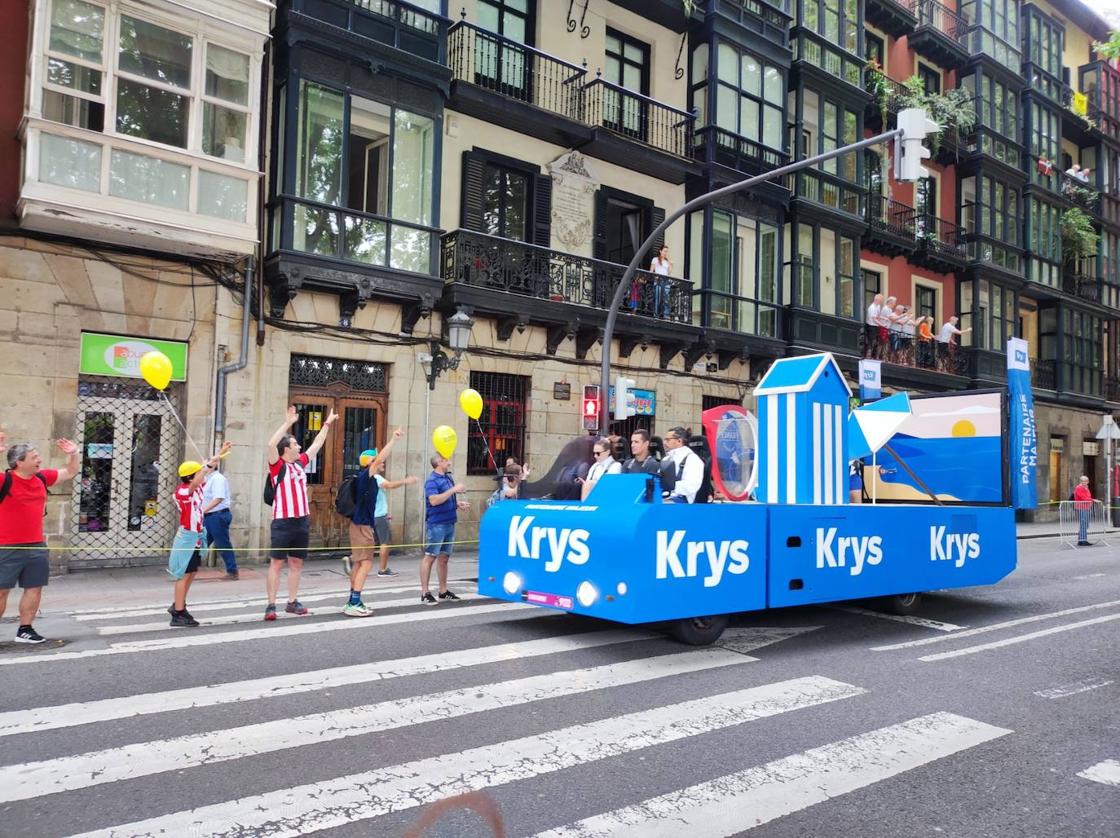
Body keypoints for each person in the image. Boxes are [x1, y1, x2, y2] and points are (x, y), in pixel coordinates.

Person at [0, 433, 79, 644]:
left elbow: (70, 472)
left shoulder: (42, 477)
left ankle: (25, 630)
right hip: (6, 546)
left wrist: (74, 454)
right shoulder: (4, 480)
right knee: (1, 591)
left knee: (34, 587)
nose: (39, 460)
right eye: (34, 457)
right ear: (19, 463)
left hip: (36, 544)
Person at [263, 405, 338, 621]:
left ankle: (292, 601)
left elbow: (318, 444)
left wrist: (327, 423)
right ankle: (271, 605)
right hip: (282, 521)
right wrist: (288, 423)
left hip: (301, 521)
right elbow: (270, 444)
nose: (299, 446)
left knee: (296, 563)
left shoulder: (300, 464)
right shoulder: (277, 466)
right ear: (286, 449)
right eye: (295, 444)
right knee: (276, 563)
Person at [168, 443, 231, 627]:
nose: (203, 475)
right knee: (184, 574)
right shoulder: (183, 491)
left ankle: (180, 605)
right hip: (187, 536)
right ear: (190, 477)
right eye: (198, 473)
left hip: (195, 535)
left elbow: (208, 468)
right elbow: (198, 479)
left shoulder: (197, 486)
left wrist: (220, 452)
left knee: (192, 571)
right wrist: (203, 468)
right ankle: (178, 613)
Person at [344, 429, 404, 617]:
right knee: (367, 564)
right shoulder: (367, 477)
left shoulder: (367, 480)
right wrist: (393, 439)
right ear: (370, 463)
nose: (382, 462)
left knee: (359, 564)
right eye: (377, 459)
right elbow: (380, 458)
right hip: (362, 527)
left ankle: (352, 600)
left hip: (359, 525)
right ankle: (354, 602)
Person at [421, 454, 469, 605]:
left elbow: (445, 499)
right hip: (437, 524)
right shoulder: (432, 480)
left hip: (449, 522)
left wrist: (457, 505)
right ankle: (424, 593)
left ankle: (443, 591)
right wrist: (453, 490)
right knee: (430, 557)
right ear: (439, 462)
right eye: (446, 460)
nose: (449, 462)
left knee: (444, 558)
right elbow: (434, 500)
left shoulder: (448, 478)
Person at [372, 456, 416, 578]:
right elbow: (389, 485)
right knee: (385, 542)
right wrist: (405, 481)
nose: (383, 464)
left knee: (370, 543)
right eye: (381, 462)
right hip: (379, 516)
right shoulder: (377, 478)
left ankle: (352, 559)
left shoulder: (367, 478)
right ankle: (382, 569)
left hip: (373, 515)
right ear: (374, 464)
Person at [201, 460, 237, 580]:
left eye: (205, 463)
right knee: (201, 542)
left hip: (217, 515)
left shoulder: (218, 479)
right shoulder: (207, 479)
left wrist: (203, 510)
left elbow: (218, 498)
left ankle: (232, 571)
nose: (202, 465)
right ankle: (187, 569)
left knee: (222, 544)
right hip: (209, 515)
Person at [662, 426, 704, 503]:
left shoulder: (692, 459)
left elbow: (692, 485)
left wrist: (671, 486)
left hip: (682, 502)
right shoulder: (666, 459)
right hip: (664, 497)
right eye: (664, 440)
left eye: (668, 440)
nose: (664, 443)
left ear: (679, 441)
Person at [650, 245, 673, 318]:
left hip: (666, 281)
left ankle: (666, 316)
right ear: (660, 251)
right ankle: (656, 315)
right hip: (658, 281)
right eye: (665, 251)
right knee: (657, 299)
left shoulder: (667, 262)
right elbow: (651, 271)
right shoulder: (655, 259)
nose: (666, 253)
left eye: (667, 251)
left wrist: (671, 265)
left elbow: (669, 273)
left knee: (666, 299)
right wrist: (655, 277)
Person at [1073, 475, 1094, 546]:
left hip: (1086, 507)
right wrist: (1093, 500)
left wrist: (1090, 500)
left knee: (1085, 524)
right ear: (1080, 481)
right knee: (1084, 524)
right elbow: (1084, 498)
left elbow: (1088, 497)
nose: (1084, 482)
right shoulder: (1079, 488)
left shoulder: (1086, 488)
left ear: (1088, 482)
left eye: (1085, 481)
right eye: (1082, 481)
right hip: (1081, 508)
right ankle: (1082, 540)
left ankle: (1082, 539)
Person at [865, 293, 884, 359]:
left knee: (876, 340)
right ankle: (868, 355)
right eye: (881, 300)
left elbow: (878, 316)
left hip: (876, 325)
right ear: (877, 300)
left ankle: (874, 355)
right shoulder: (872, 307)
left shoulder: (878, 306)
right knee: (872, 340)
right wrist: (882, 324)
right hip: (871, 325)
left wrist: (883, 318)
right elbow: (874, 319)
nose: (881, 301)